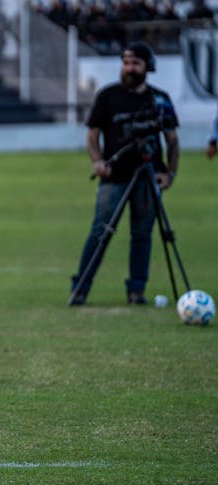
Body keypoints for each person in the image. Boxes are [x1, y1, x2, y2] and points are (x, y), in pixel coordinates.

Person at [70, 42, 180, 306]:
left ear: (147, 67)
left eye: (135, 64)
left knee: (142, 234)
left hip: (148, 175)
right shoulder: (108, 96)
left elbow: (173, 141)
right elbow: (93, 135)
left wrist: (170, 173)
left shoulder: (160, 99)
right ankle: (80, 289)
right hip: (114, 176)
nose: (129, 69)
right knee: (100, 231)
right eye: (126, 63)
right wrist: (98, 161)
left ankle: (136, 290)